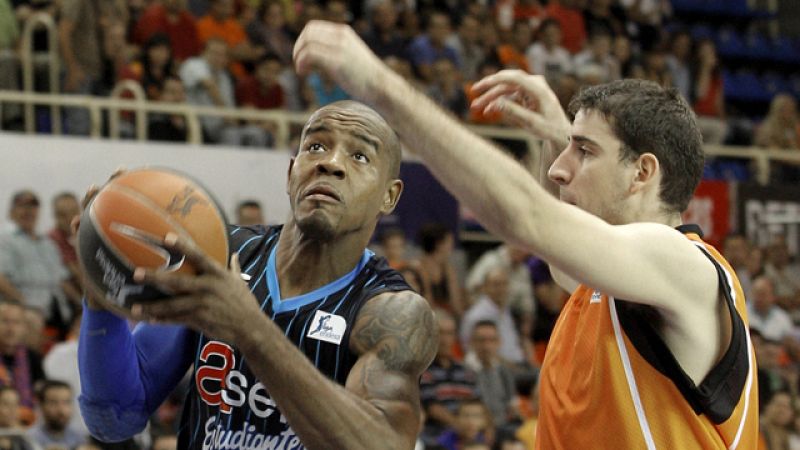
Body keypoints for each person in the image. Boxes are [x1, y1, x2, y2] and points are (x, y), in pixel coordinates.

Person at [294, 21, 759, 448]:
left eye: (585, 152)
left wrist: (379, 86)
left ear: (642, 173)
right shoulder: (611, 290)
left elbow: (529, 218)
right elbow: (551, 246)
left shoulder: (682, 261)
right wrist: (558, 134)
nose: (558, 170)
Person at [77, 100, 438, 449]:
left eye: (359, 156)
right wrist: (101, 296)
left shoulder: (393, 312)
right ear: (290, 173)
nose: (330, 163)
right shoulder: (218, 256)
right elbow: (115, 418)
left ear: (389, 197)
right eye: (315, 146)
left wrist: (251, 329)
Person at [27, 380, 86, 449]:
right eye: (53, 402)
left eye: (66, 402)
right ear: (41, 405)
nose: (61, 410)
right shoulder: (29, 439)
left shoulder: (81, 437)